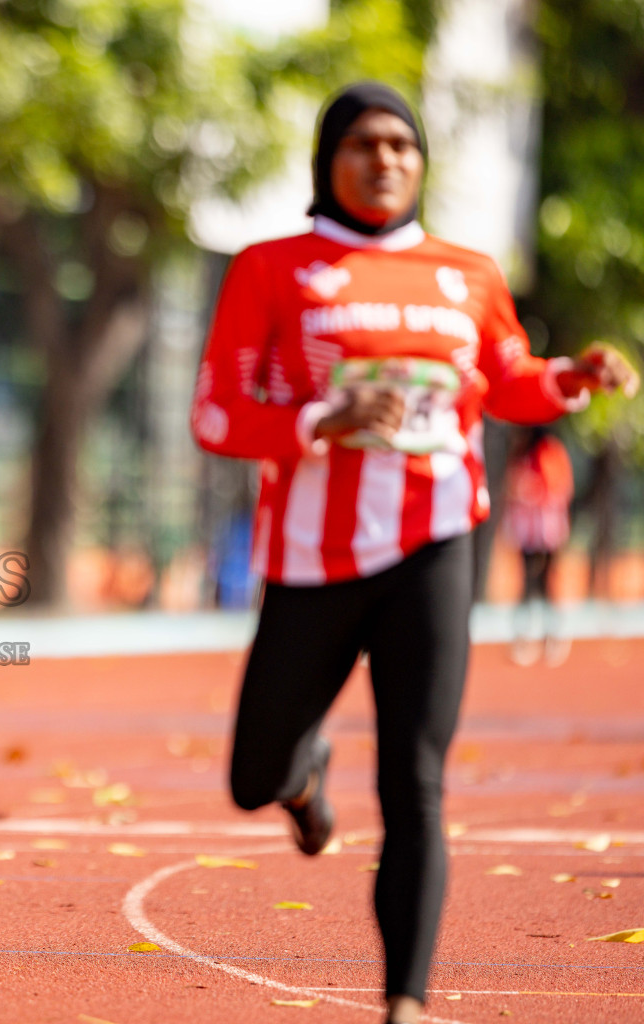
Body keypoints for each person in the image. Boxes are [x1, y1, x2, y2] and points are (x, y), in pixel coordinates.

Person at [190, 83, 638, 1024]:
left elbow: (507, 380)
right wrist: (324, 415)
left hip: (437, 544)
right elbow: (217, 415)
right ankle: (301, 777)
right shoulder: (273, 268)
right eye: (362, 143)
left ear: (421, 160)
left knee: (415, 776)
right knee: (251, 778)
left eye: (402, 144)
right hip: (312, 557)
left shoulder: (467, 273)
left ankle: (407, 1000)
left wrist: (571, 377)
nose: (385, 159)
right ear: (329, 160)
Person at [502, 425, 574, 665]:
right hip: (528, 530)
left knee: (548, 581)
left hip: (548, 529)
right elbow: (512, 487)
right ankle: (524, 637)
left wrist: (533, 491)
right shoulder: (521, 455)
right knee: (527, 583)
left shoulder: (550, 452)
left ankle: (554, 635)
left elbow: (559, 486)